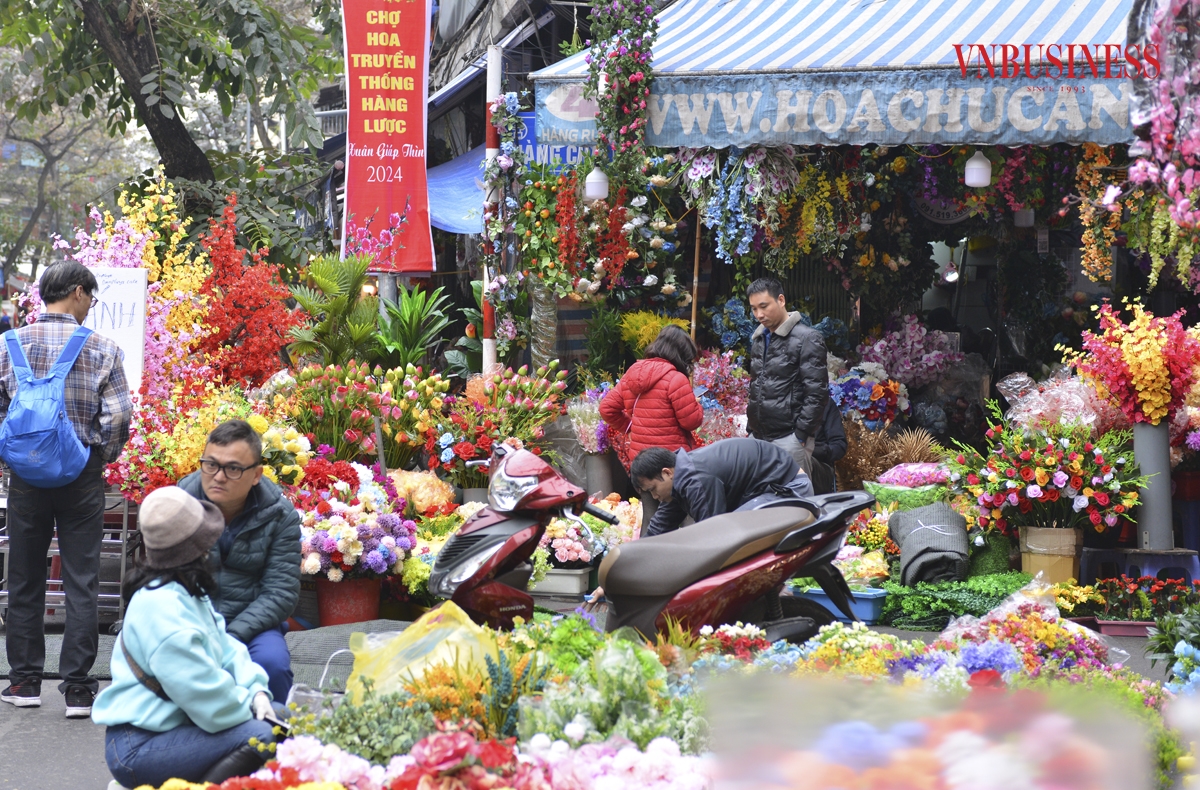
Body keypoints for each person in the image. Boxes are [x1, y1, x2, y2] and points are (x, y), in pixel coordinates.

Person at [0, 262, 132, 718]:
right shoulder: (102, 348)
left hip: (26, 476)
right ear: (78, 292)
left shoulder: (8, 345)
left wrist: (13, 456)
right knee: (81, 578)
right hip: (80, 474)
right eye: (91, 297)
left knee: (24, 576)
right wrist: (99, 456)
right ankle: (77, 689)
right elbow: (118, 416)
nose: (91, 306)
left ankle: (24, 681)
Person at [92, 486, 279, 787]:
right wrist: (249, 703)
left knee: (283, 718)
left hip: (173, 725)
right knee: (264, 735)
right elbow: (206, 697)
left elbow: (227, 646)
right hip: (138, 746)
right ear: (198, 550)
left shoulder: (182, 589)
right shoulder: (164, 610)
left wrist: (256, 691)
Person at [177, 419, 301, 703]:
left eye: (233, 469)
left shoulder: (280, 515)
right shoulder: (181, 503)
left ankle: (273, 729)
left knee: (272, 665)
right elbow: (163, 577)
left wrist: (229, 638)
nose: (218, 477)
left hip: (252, 624)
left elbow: (281, 593)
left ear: (256, 474)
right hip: (190, 620)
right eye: (210, 465)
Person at [599, 324, 703, 531]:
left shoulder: (632, 373)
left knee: (651, 519)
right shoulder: (676, 378)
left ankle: (647, 551)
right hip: (672, 462)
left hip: (642, 460)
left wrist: (630, 426)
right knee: (686, 518)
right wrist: (696, 405)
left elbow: (606, 408)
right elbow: (691, 422)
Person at [631, 438, 814, 537]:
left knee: (735, 535)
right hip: (765, 492)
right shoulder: (680, 475)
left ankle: (777, 591)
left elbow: (712, 536)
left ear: (666, 473)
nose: (654, 497)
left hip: (789, 488)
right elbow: (658, 529)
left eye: (653, 489)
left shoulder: (696, 480)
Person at [745, 277, 828, 475]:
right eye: (754, 309)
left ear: (781, 300)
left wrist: (800, 435)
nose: (759, 314)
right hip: (758, 437)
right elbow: (756, 386)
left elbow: (817, 393)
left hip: (789, 438)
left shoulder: (808, 338)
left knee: (793, 493)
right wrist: (751, 428)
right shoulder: (759, 339)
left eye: (764, 306)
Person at [810, 403, 847, 495]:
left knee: (802, 459)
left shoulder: (825, 404)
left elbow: (839, 445)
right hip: (782, 459)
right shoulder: (777, 403)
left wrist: (815, 450)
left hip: (818, 464)